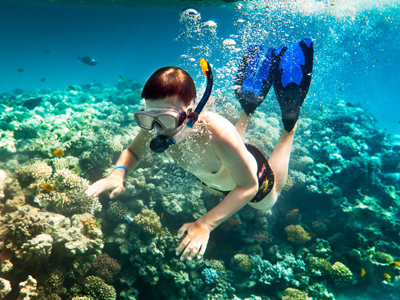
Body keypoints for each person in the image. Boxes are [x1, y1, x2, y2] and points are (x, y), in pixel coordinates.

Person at [86, 38, 314, 261]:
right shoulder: (158, 121)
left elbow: (248, 186)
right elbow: (134, 151)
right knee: (223, 168)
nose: (156, 129)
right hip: (222, 167)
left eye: (166, 119)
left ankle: (289, 124)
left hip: (251, 176)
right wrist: (117, 173)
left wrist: (205, 224)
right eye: (147, 118)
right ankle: (248, 104)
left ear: (191, 110)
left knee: (267, 204)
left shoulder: (219, 133)